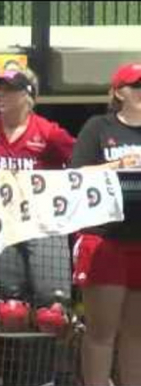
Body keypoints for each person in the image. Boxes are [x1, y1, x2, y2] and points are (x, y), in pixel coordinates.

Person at [0, 67, 75, 333]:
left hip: (44, 226)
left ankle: (51, 374)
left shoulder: (49, 133)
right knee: (8, 311)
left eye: (8, 89)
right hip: (4, 226)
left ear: (27, 95)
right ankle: (10, 375)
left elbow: (80, 165)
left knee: (52, 315)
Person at [71, 62, 141, 386]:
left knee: (136, 336)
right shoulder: (99, 126)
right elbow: (77, 175)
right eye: (136, 85)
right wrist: (118, 164)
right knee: (102, 332)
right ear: (118, 92)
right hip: (105, 240)